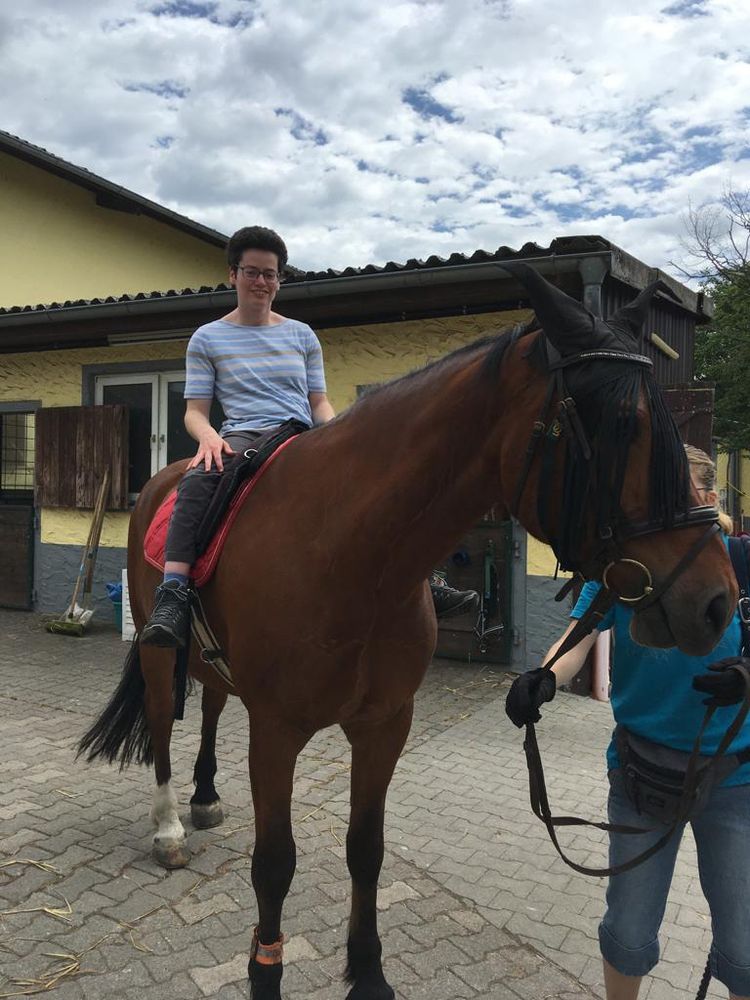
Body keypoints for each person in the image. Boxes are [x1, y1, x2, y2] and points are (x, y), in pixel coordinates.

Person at [142, 225, 477, 647]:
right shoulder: (207, 338)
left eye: (271, 274)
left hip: (299, 434)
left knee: (384, 482)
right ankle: (172, 595)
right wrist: (207, 437)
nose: (262, 282)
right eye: (253, 272)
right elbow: (194, 412)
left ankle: (426, 580)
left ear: (279, 279)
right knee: (197, 480)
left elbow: (318, 402)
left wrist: (342, 431)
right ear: (233, 275)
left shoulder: (301, 335)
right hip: (243, 436)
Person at [505, 445, 750, 1000]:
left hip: (737, 782)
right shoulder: (626, 574)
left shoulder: (742, 563)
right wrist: (543, 676)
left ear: (707, 501)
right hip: (643, 777)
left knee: (744, 944)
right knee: (629, 931)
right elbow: (577, 637)